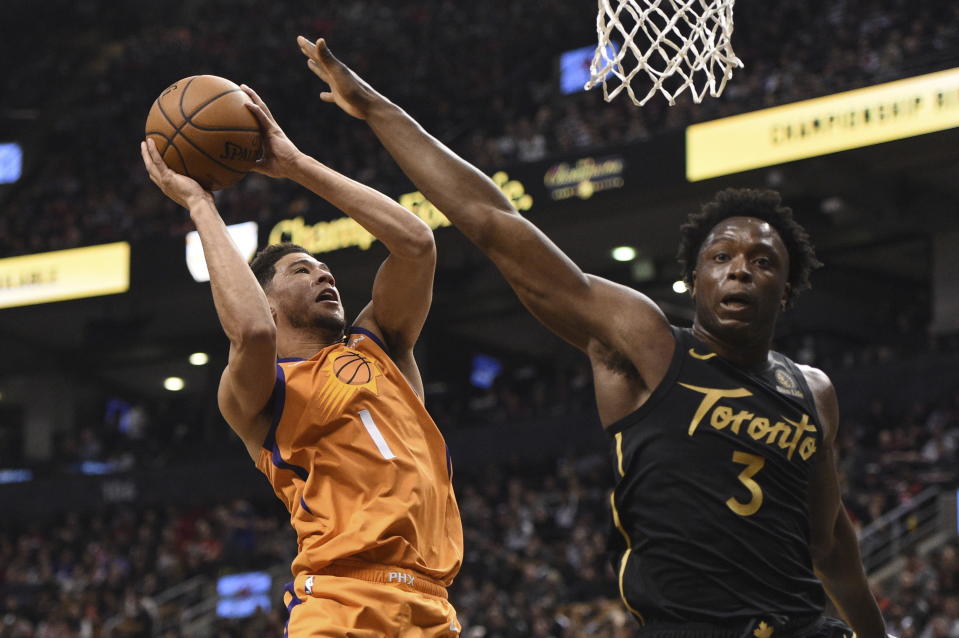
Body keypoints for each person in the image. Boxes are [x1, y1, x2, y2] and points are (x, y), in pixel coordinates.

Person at [295, 36, 889, 638]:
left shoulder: (813, 391)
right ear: (694, 278)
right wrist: (374, 109)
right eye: (722, 256)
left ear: (786, 290)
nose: (740, 268)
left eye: (763, 261)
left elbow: (831, 541)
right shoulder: (649, 345)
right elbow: (495, 222)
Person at [139, 85, 462, 637]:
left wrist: (295, 164)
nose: (325, 275)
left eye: (324, 268)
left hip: (433, 608)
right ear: (265, 294)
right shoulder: (259, 391)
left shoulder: (383, 346)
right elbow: (251, 331)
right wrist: (200, 204)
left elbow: (416, 243)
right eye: (301, 271)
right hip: (341, 605)